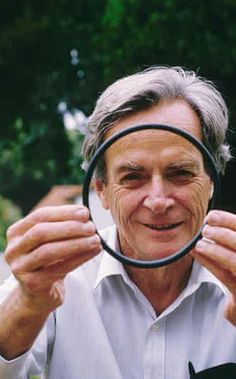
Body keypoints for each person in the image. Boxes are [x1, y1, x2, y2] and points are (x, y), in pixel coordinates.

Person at [0, 66, 236, 379]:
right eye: (133, 177)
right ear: (103, 192)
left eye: (180, 173)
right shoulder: (57, 275)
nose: (158, 201)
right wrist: (28, 305)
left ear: (209, 183)